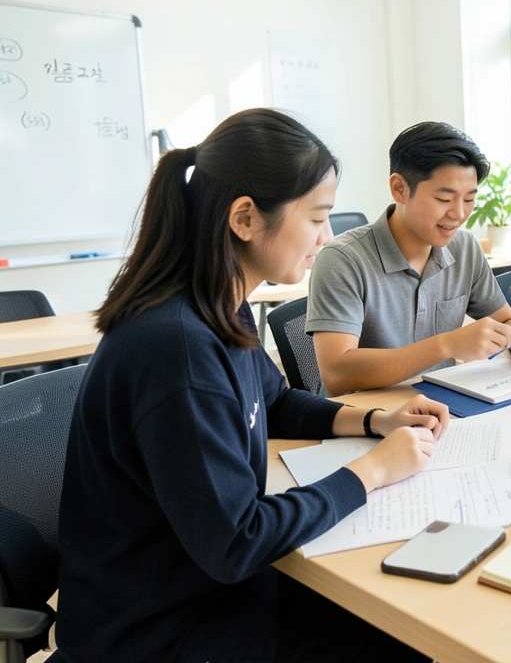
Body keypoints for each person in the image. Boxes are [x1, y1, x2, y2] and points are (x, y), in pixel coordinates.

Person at [57, 109, 443, 662]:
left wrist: (372, 421)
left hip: (203, 592)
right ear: (244, 218)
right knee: (405, 639)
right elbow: (236, 544)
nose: (327, 236)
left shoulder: (216, 306)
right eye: (316, 218)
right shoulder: (178, 349)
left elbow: (277, 399)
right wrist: (374, 470)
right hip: (160, 635)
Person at [308, 122, 511, 396]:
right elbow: (337, 374)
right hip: (362, 420)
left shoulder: (464, 248)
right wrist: (446, 345)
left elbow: (507, 321)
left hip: (441, 408)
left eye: (469, 199)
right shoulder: (342, 260)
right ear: (399, 188)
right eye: (444, 199)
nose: (459, 214)